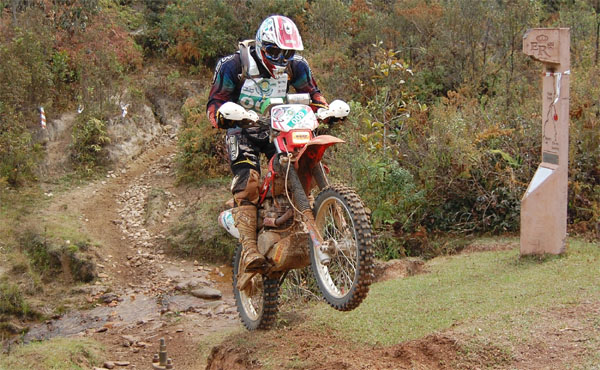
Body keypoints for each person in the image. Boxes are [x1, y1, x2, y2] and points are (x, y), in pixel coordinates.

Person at [206, 15, 328, 273]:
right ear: (261, 45)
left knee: (295, 167)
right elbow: (215, 104)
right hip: (243, 129)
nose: (282, 59)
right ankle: (249, 249)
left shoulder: (298, 66)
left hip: (279, 129)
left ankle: (290, 223)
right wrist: (222, 116)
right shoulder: (233, 65)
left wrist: (324, 110)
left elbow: (315, 94)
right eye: (274, 51)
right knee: (248, 182)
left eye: (288, 53)